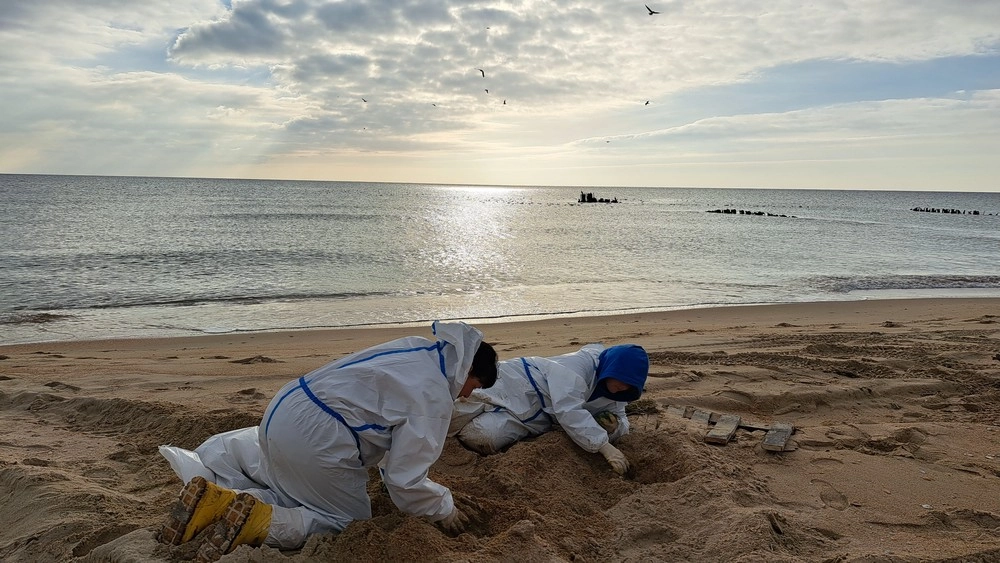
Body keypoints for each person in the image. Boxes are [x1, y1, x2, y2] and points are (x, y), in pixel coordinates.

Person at [156, 321, 498, 561]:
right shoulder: (434, 394)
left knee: (291, 490)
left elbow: (383, 415)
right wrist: (443, 507)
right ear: (468, 372)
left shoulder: (416, 349)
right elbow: (404, 480)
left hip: (284, 409)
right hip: (318, 437)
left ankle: (225, 502)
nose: (467, 395)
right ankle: (258, 521)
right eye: (474, 387)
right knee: (345, 524)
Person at [449, 343, 648, 475]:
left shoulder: (617, 395)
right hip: (516, 384)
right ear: (612, 368)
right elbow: (567, 409)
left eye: (630, 385)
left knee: (482, 437)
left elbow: (623, 421)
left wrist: (615, 427)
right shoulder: (579, 366)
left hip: (534, 419)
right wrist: (603, 445)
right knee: (454, 412)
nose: (624, 387)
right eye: (622, 379)